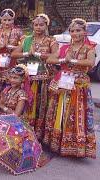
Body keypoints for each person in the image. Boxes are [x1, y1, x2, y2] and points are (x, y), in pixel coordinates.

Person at [44, 18, 96, 158]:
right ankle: (57, 144)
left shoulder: (89, 48)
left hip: (78, 86)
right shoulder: (65, 48)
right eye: (72, 31)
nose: (75, 33)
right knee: (59, 111)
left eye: (78, 30)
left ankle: (74, 146)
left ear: (85, 32)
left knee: (73, 114)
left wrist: (72, 60)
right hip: (63, 83)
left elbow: (90, 63)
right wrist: (62, 60)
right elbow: (50, 59)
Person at [11, 14, 59, 140]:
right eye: (36, 24)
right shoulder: (27, 40)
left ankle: (40, 136)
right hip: (28, 79)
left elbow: (56, 57)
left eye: (41, 24)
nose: (38, 27)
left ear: (46, 25)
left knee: (42, 106)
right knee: (28, 106)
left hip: (44, 80)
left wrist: (40, 55)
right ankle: (26, 133)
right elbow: (14, 54)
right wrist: (27, 53)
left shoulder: (51, 40)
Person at [0, 9, 23, 91]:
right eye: (5, 20)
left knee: (10, 87)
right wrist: (0, 47)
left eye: (9, 20)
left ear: (13, 20)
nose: (7, 22)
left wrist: (10, 47)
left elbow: (24, 47)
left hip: (11, 63)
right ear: (1, 20)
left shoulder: (18, 32)